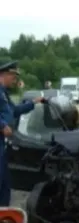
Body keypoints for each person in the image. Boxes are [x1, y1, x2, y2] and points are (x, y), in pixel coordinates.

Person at [0, 61, 43, 206]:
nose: (15, 80)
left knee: (5, 186)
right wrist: (2, 125)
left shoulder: (4, 94)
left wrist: (33, 103)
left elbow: (15, 111)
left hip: (3, 148)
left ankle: (3, 219)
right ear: (4, 74)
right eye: (13, 76)